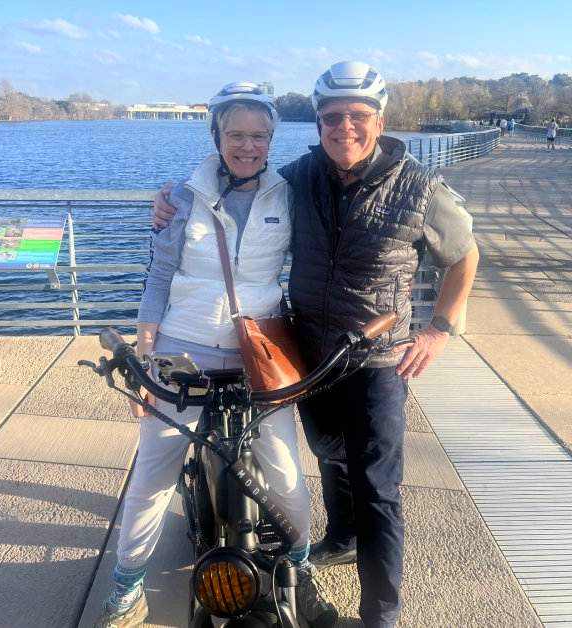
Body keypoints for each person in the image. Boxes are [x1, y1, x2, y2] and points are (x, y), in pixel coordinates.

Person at [154, 61, 479, 628]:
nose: (344, 128)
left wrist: (439, 329)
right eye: (332, 117)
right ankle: (345, 535)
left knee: (379, 485)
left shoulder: (420, 187)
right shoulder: (301, 177)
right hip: (309, 350)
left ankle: (381, 611)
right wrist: (168, 203)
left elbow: (465, 257)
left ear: (379, 119)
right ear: (319, 122)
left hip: (377, 358)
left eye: (358, 116)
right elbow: (237, 181)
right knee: (329, 452)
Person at [95, 83, 336, 628]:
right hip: (185, 348)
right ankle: (126, 586)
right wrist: (145, 355)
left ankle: (298, 570)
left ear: (272, 139)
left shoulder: (291, 192)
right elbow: (158, 278)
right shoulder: (181, 196)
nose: (247, 146)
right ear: (216, 136)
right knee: (152, 474)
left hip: (260, 355)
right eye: (236, 135)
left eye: (258, 136)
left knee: (286, 476)